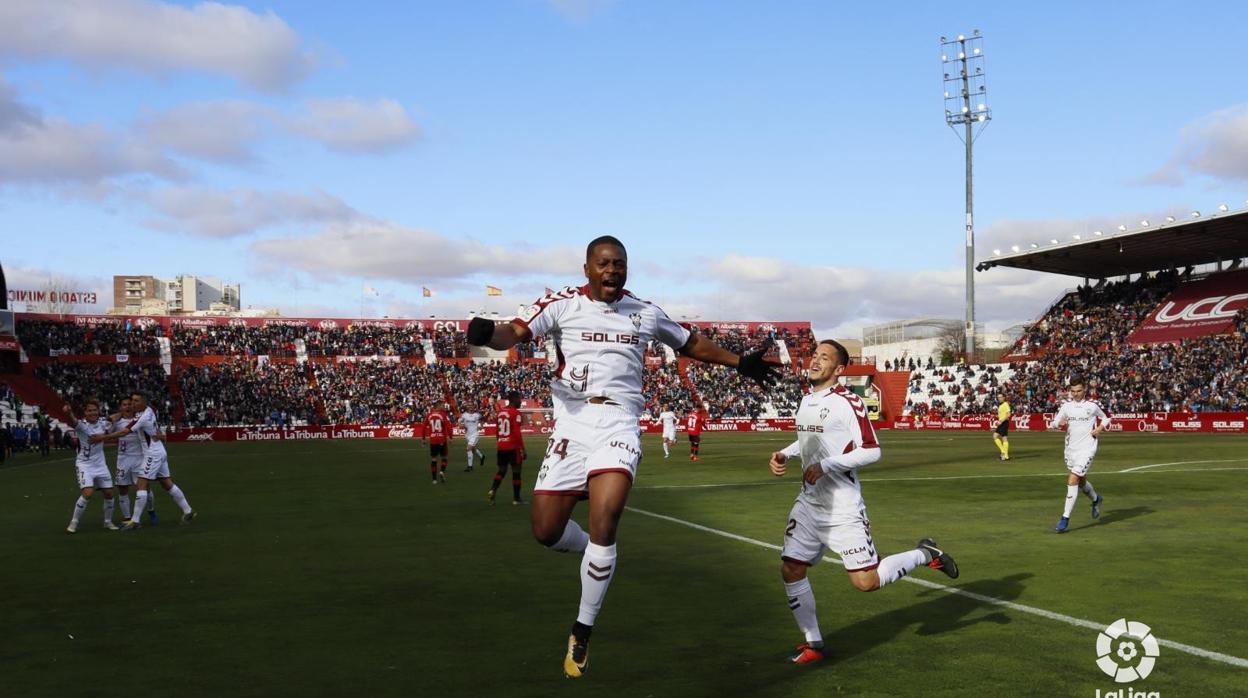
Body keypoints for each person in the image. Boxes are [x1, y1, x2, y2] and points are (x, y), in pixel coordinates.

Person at [466, 235, 782, 678]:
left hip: (619, 422)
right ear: (588, 269)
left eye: (620, 264)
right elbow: (514, 332)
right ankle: (596, 555)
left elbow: (690, 343)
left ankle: (582, 631)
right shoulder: (560, 304)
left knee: (606, 515)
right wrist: (488, 334)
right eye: (604, 263)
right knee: (545, 530)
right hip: (571, 426)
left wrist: (740, 363)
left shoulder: (645, 312)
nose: (613, 270)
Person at [768, 340, 960, 664]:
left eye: (824, 358)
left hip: (843, 507)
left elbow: (872, 450)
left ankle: (925, 553)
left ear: (839, 370)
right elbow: (810, 441)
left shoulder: (849, 402)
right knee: (791, 568)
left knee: (866, 582)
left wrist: (826, 466)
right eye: (815, 355)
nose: (815, 361)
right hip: (809, 503)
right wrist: (785, 453)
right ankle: (813, 644)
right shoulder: (806, 401)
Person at [115, 392, 196, 531]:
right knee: (167, 483)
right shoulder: (149, 410)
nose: (133, 403)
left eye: (136, 401)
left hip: (152, 453)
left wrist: (102, 438)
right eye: (132, 401)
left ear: (144, 402)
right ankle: (188, 511)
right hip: (160, 451)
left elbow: (124, 432)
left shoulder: (143, 417)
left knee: (141, 484)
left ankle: (134, 521)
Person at [1050, 378, 1109, 533]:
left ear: (1085, 390)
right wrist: (1058, 424)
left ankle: (1065, 518)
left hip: (1087, 448)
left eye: (1079, 391)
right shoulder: (1066, 407)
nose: (1076, 394)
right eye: (1073, 391)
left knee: (1073, 478)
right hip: (1071, 449)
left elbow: (1107, 417)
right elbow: (1053, 423)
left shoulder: (1092, 406)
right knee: (1080, 480)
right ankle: (1096, 499)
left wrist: (1100, 428)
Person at [63, 400, 121, 533]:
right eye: (89, 410)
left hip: (101, 464)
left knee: (109, 493)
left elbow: (113, 418)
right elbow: (73, 421)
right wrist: (69, 412)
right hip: (85, 465)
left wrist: (124, 412)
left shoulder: (102, 423)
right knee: (88, 493)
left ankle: (108, 522)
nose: (93, 412)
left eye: (95, 410)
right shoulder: (82, 425)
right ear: (85, 412)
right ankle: (74, 523)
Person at [111, 396, 158, 526]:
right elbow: (105, 430)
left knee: (144, 488)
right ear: (120, 407)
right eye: (124, 404)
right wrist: (111, 419)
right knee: (122, 488)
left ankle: (151, 511)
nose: (127, 406)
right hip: (123, 459)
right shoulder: (117, 422)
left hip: (140, 457)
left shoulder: (139, 419)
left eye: (130, 404)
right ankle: (127, 518)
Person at [487, 391, 527, 505]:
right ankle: (516, 498)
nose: (520, 401)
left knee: (502, 470)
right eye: (519, 399)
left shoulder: (500, 412)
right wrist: (523, 449)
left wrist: (500, 442)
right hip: (513, 446)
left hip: (501, 445)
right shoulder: (515, 413)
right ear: (514, 399)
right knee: (516, 471)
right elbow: (516, 433)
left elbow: (497, 432)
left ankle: (493, 490)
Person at [423, 402, 452, 484]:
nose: (443, 407)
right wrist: (450, 437)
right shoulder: (442, 414)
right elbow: (449, 426)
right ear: (438, 406)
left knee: (434, 459)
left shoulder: (429, 415)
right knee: (444, 457)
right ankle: (442, 471)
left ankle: (434, 480)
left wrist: (423, 439)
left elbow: (424, 427)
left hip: (433, 440)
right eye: (442, 405)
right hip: (442, 439)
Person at [459, 408, 485, 472]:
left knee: (468, 448)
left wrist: (481, 425)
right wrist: (461, 425)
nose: (471, 407)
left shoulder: (477, 415)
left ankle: (470, 466)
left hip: (475, 435)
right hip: (467, 435)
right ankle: (481, 456)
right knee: (473, 449)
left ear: (474, 407)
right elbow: (459, 421)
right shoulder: (464, 415)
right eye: (469, 406)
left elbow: (482, 419)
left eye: (472, 406)